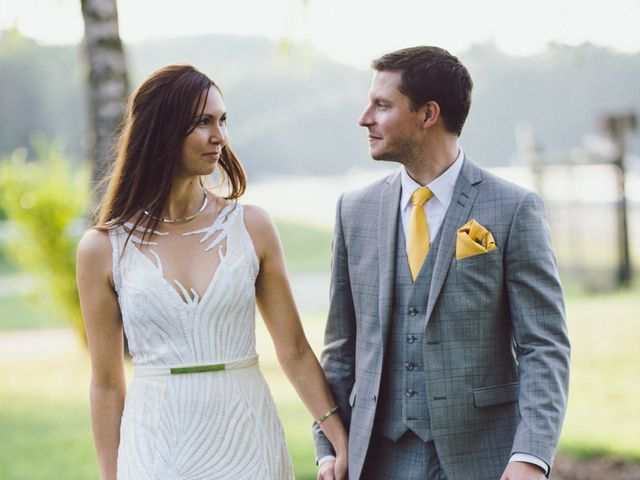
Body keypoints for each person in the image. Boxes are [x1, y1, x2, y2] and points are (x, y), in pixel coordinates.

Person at [76, 64, 348, 480]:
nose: (219, 136)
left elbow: (293, 350)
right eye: (203, 122)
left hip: (248, 440)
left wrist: (338, 439)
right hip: (155, 448)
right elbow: (107, 384)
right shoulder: (103, 248)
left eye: (222, 120)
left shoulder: (252, 227)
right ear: (162, 130)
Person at [313, 46, 570, 480]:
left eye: (382, 105)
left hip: (484, 458)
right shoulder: (353, 211)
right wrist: (327, 448)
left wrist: (530, 455)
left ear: (428, 114)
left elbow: (543, 346)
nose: (364, 118)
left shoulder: (513, 208)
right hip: (375, 459)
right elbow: (340, 350)